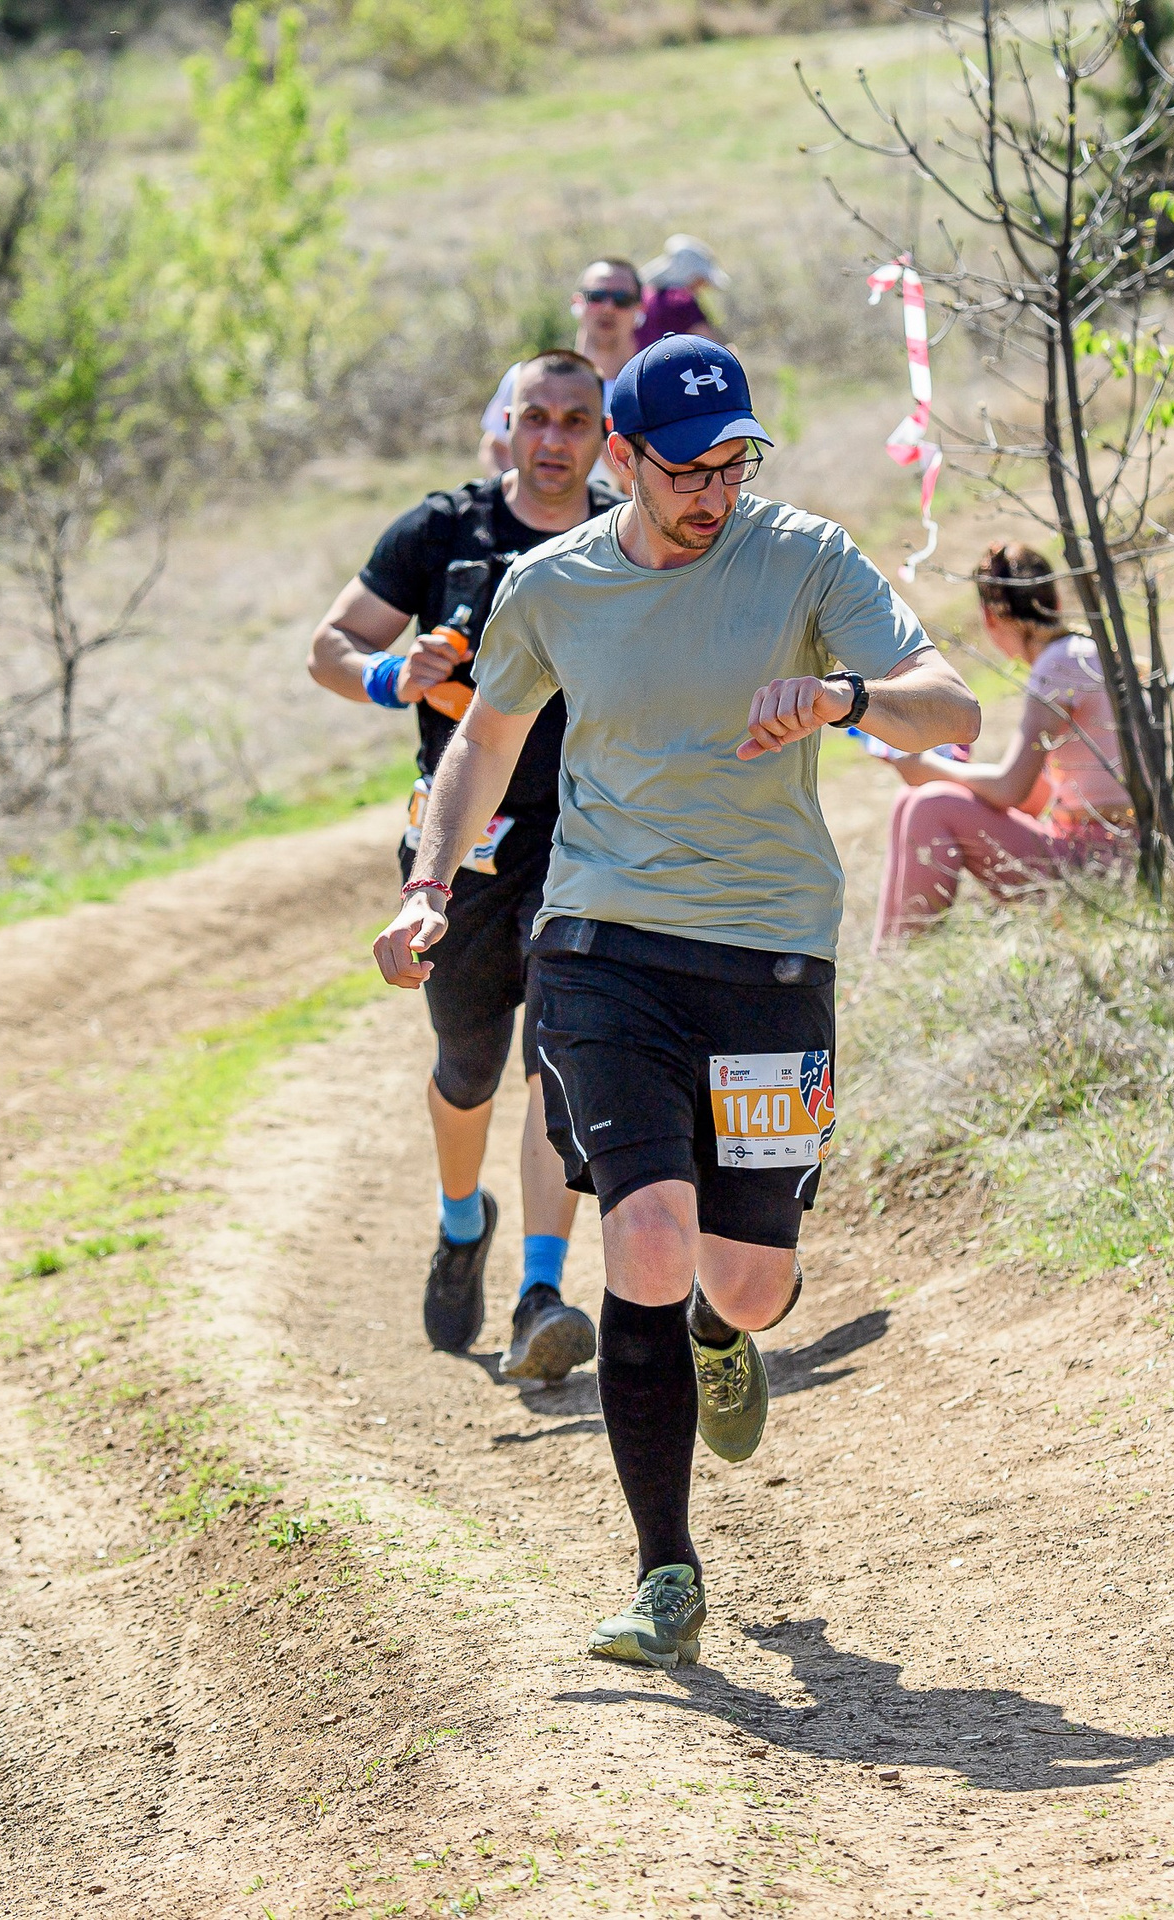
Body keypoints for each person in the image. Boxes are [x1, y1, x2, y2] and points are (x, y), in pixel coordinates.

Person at [371, 337, 979, 1670]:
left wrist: (845, 695)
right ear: (624, 460)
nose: (713, 490)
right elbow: (487, 736)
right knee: (643, 1240)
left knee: (748, 1282)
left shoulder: (805, 557)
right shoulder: (555, 585)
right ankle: (667, 1573)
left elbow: (953, 705)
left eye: (733, 463)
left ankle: (720, 1333)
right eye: (686, 468)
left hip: (767, 955)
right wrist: (431, 885)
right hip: (604, 947)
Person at [308, 351, 624, 1384]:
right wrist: (395, 673)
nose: (552, 440)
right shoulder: (443, 531)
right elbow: (330, 646)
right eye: (536, 417)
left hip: (584, 835)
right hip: (462, 844)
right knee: (467, 1069)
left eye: (575, 421)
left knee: (559, 1062)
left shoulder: (624, 535)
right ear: (509, 424)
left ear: (600, 433)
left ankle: (542, 1291)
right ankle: (459, 1223)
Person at [869, 541, 1131, 951]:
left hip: (1100, 866)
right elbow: (1035, 798)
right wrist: (957, 779)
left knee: (928, 805)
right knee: (913, 798)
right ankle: (885, 960)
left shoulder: (1056, 665)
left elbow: (1012, 790)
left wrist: (930, 768)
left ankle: (894, 964)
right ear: (1055, 599)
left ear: (990, 618)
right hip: (1118, 853)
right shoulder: (1089, 652)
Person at [477, 259, 645, 479]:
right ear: (577, 303)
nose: (608, 307)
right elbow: (496, 447)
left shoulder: (650, 390)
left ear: (640, 310)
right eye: (596, 297)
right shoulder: (529, 378)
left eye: (622, 299)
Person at [634, 235, 729, 350]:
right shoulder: (681, 300)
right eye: (700, 280)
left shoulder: (643, 295)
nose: (702, 287)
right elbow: (710, 346)